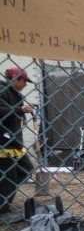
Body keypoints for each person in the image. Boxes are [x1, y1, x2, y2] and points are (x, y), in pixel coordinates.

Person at [0, 67, 35, 215]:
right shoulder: (2, 91)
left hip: (15, 143)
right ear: (14, 77)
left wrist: (22, 111)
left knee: (26, 169)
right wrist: (20, 110)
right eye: (23, 81)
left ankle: (4, 201)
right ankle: (3, 209)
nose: (25, 84)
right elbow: (1, 113)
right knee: (9, 177)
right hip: (3, 142)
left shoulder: (15, 94)